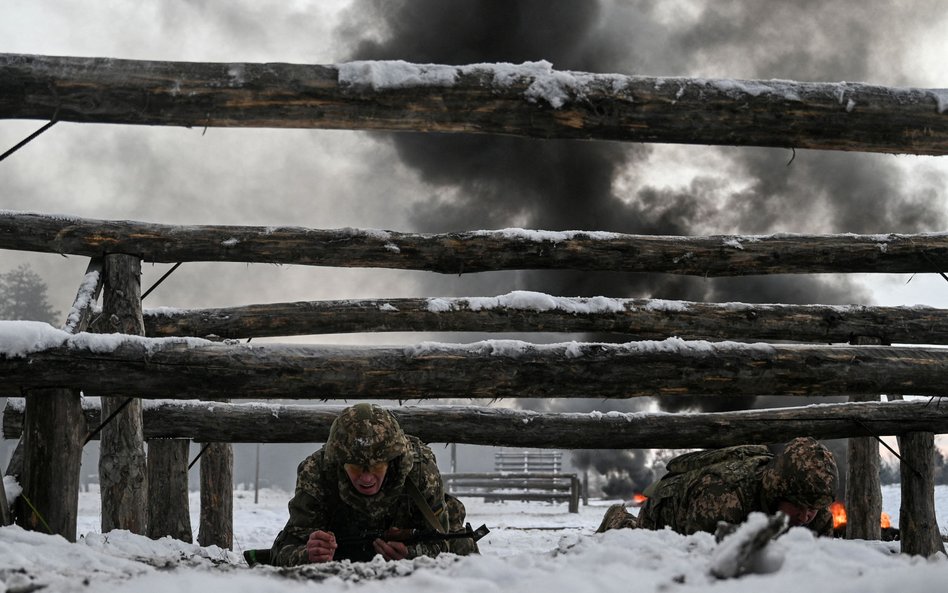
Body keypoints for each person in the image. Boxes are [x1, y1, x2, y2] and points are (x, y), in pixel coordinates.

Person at [269, 403, 476, 566]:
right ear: (340, 463)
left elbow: (443, 542)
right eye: (356, 468)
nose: (366, 479)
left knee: (464, 551)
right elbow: (284, 550)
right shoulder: (316, 473)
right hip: (338, 560)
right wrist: (309, 554)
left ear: (392, 461)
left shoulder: (421, 471)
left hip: (411, 554)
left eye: (376, 466)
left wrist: (413, 554)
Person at [596, 437, 838, 537]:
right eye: (799, 506)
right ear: (778, 491)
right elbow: (700, 561)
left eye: (813, 508)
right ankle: (620, 519)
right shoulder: (723, 498)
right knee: (638, 539)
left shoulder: (816, 509)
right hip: (667, 512)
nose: (807, 515)